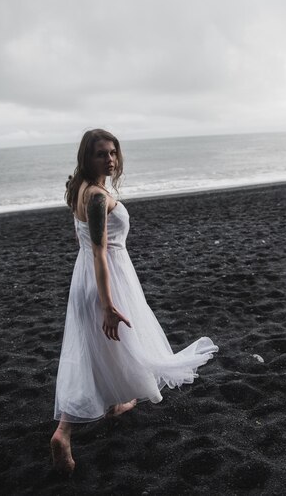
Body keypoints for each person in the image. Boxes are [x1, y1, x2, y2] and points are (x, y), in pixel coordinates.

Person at [51, 129, 218, 475]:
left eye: (113, 152)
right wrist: (108, 305)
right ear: (87, 157)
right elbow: (99, 251)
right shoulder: (96, 196)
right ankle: (65, 431)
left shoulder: (79, 187)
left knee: (98, 352)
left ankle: (103, 410)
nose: (110, 159)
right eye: (101, 154)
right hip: (106, 279)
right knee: (120, 344)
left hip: (84, 278)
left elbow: (81, 241)